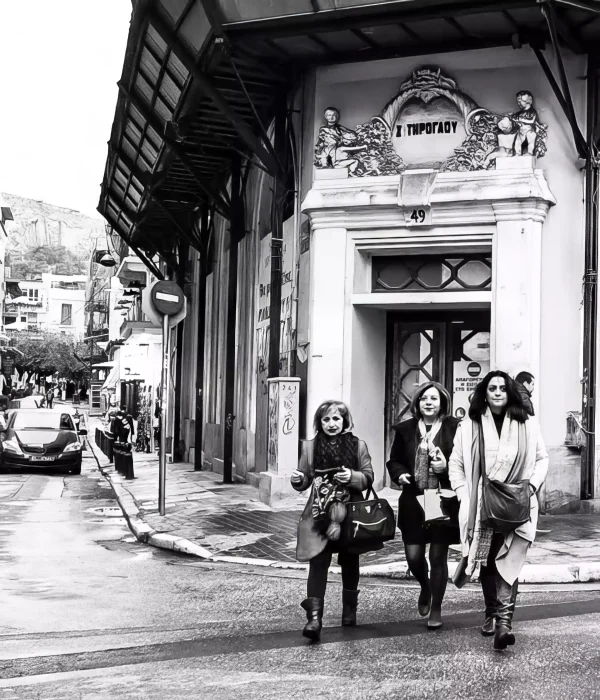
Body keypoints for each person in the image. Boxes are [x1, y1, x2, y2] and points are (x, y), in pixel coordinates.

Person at [448, 370, 548, 650]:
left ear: (510, 392)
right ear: (484, 392)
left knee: (511, 559)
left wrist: (530, 488)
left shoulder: (527, 423)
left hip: (518, 502)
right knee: (489, 558)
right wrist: (464, 494)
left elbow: (542, 458)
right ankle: (492, 612)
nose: (497, 392)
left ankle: (504, 624)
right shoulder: (469, 425)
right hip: (481, 504)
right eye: (492, 388)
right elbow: (456, 464)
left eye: (503, 388)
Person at [290, 400, 376, 642]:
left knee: (350, 560)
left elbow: (369, 476)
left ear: (345, 421)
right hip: (318, 515)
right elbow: (304, 479)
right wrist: (298, 479)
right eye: (326, 419)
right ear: (319, 423)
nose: (331, 424)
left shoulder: (358, 445)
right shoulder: (309, 447)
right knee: (318, 562)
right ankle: (314, 619)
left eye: (336, 418)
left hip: (350, 513)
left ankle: (349, 611)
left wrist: (353, 476)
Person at [386, 382, 460, 630]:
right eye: (424, 399)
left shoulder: (453, 428)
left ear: (443, 403)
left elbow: (462, 462)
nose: (429, 403)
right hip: (412, 499)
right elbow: (394, 460)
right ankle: (425, 586)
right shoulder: (406, 429)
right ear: (417, 403)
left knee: (438, 556)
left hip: (441, 498)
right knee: (414, 556)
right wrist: (400, 475)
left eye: (434, 399)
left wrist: (445, 468)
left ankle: (436, 608)